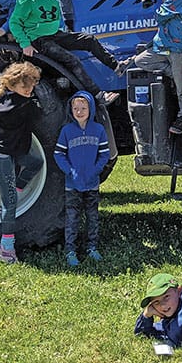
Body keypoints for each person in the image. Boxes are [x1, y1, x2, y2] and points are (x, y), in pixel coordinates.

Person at [8, 0, 125, 107]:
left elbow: (58, 21)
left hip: (55, 35)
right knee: (72, 60)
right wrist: (25, 44)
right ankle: (99, 95)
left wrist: (66, 34)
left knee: (88, 39)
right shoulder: (27, 0)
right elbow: (14, 23)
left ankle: (117, 67)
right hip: (38, 40)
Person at [0, 62, 44, 264]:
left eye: (32, 86)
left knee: (36, 161)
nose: (30, 91)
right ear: (13, 85)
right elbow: (40, 111)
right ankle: (6, 249)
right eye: (26, 88)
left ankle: (15, 188)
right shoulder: (20, 107)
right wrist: (34, 99)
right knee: (10, 204)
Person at [134, 0, 182, 135]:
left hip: (176, 48)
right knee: (140, 60)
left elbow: (159, 16)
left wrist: (163, 0)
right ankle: (172, 73)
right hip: (162, 46)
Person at [54, 91, 110, 267]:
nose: (79, 112)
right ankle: (70, 250)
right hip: (72, 184)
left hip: (92, 183)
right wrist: (69, 171)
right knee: (72, 217)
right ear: (71, 110)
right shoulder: (67, 131)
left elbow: (104, 154)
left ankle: (92, 247)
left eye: (83, 108)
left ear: (90, 109)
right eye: (76, 108)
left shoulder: (98, 130)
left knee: (92, 216)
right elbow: (58, 154)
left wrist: (96, 170)